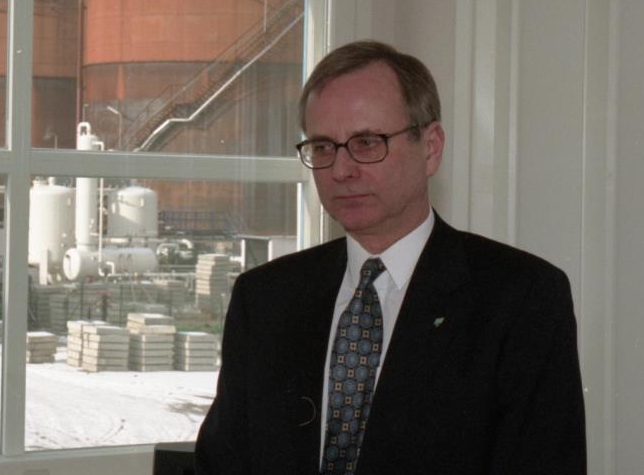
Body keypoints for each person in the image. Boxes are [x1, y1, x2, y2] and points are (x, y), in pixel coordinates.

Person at [195, 40, 586, 475]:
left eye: (366, 142)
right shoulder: (265, 299)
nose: (341, 170)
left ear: (431, 148)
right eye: (323, 147)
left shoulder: (522, 299)